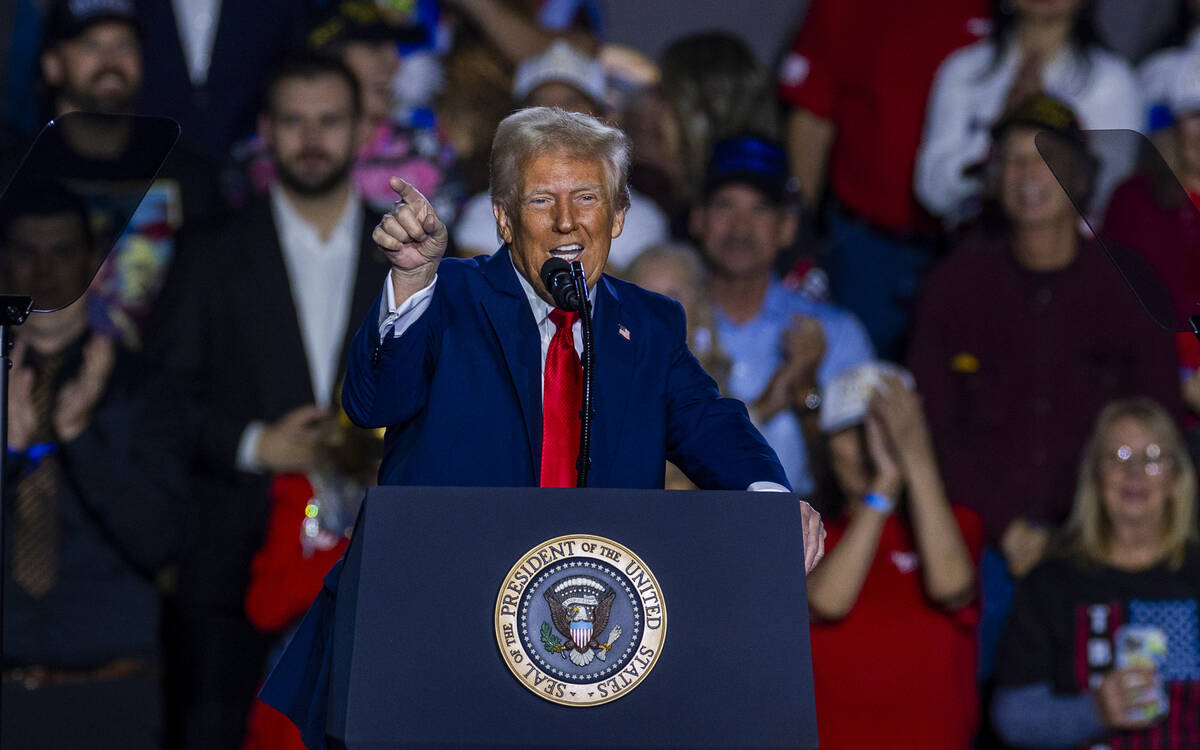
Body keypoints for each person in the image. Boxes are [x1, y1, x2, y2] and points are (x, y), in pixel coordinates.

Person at [146, 52, 391, 750]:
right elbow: (161, 394)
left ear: (362, 130)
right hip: (233, 566)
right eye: (293, 121)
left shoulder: (412, 259)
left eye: (328, 121)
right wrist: (256, 444)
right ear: (264, 130)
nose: (311, 139)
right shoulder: (209, 251)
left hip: (378, 562)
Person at [908, 95, 1182, 680]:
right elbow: (931, 431)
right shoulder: (955, 287)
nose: (1025, 175)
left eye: (1044, 158)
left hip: (1104, 535)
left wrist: (1084, 528)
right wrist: (1007, 526)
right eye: (1009, 161)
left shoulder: (1130, 288)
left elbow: (1159, 420)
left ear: (1079, 179)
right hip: (983, 536)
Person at [0, 185, 188, 749]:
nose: (45, 270)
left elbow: (161, 541)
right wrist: (10, 457)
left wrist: (80, 438)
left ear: (90, 259)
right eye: (28, 252)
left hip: (110, 697)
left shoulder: (140, 385)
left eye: (61, 252)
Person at [776, 0, 988, 360]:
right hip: (864, 243)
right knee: (850, 381)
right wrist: (800, 234)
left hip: (972, 245)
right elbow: (812, 114)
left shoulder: (1001, 9)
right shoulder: (845, 8)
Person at [991, 397, 1200, 749]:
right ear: (1095, 476)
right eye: (1118, 457)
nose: (1134, 471)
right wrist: (1095, 712)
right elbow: (1013, 716)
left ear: (1177, 478)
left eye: (1151, 458)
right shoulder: (1052, 582)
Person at [806, 364, 982, 750]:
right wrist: (883, 485)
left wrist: (913, 456)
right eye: (854, 430)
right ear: (828, 444)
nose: (872, 444)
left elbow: (952, 587)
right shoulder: (809, 528)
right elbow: (825, 602)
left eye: (886, 428)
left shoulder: (957, 524)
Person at [690, 134, 874, 495]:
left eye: (759, 210)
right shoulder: (666, 321)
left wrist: (807, 391)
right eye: (725, 206)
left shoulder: (836, 333)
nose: (740, 228)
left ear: (787, 228)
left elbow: (855, 487)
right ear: (699, 219)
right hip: (684, 527)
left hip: (800, 535)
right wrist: (771, 401)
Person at [32, 0, 223, 348]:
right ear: (52, 64)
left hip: (160, 390)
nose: (110, 62)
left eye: (124, 45)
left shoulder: (190, 176)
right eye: (91, 46)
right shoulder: (16, 172)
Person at [915, 0, 1141, 227]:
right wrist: (998, 132)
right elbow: (933, 193)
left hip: (1070, 251)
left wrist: (1049, 125)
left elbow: (1110, 196)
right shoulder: (965, 70)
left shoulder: (1111, 80)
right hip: (972, 244)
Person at [452, 40, 668, 267]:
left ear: (603, 119)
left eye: (572, 102)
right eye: (540, 104)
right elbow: (481, 295)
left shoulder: (642, 218)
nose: (555, 116)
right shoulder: (487, 213)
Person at [242, 410, 381, 750]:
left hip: (384, 698)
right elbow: (265, 606)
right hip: (306, 702)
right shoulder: (308, 490)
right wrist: (351, 551)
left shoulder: (426, 496)